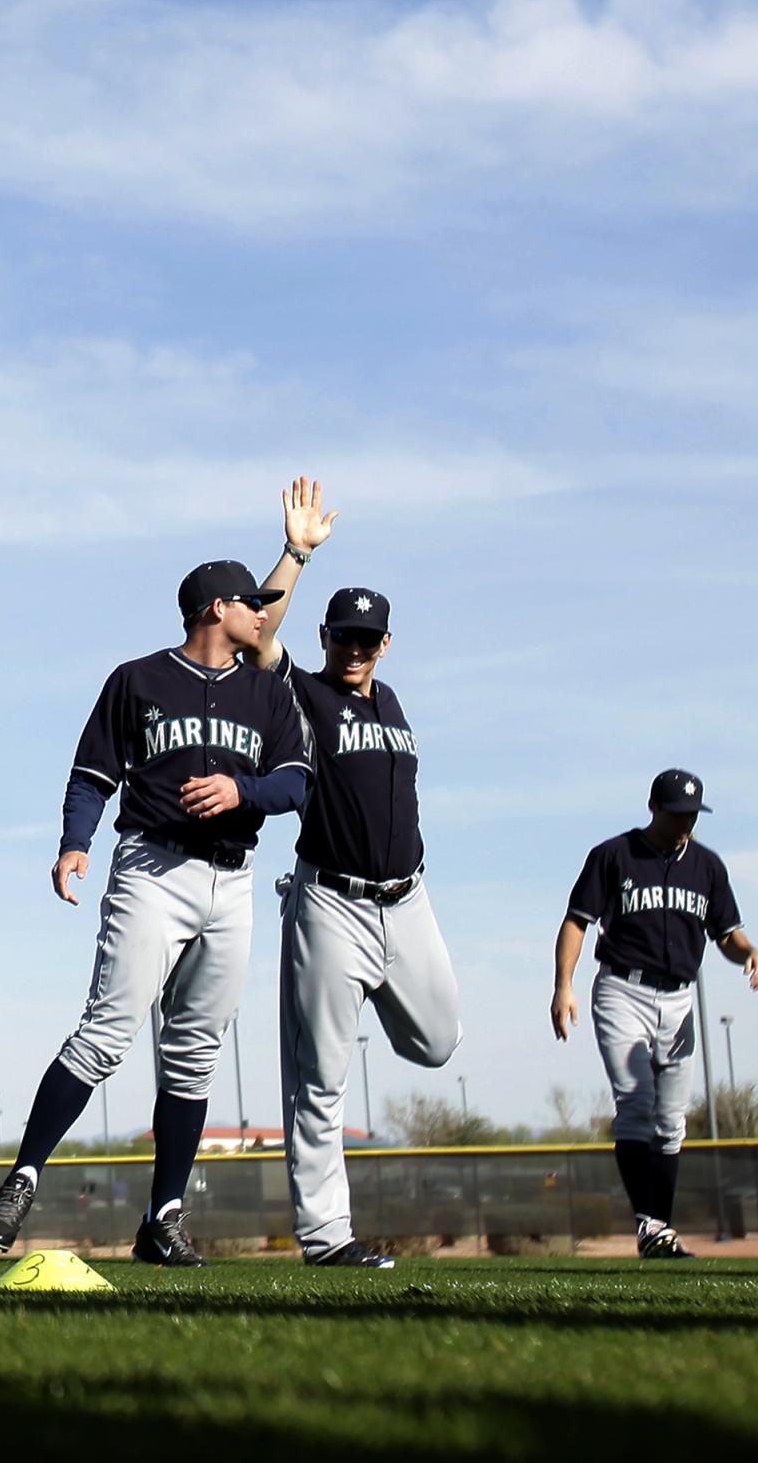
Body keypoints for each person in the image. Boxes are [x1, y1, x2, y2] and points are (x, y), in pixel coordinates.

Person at [0, 560, 309, 1265]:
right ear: (217, 608)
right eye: (255, 603)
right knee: (106, 1033)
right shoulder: (137, 680)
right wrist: (74, 844)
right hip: (152, 870)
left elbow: (298, 783)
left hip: (233, 880)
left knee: (193, 1059)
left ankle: (163, 1220)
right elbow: (93, 775)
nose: (265, 614)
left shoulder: (267, 692)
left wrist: (243, 791)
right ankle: (21, 1180)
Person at [246, 479, 460, 1268]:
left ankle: (372, 998)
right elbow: (256, 633)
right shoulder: (303, 694)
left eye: (369, 640)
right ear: (328, 637)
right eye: (345, 638)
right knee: (319, 1084)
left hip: (408, 902)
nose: (356, 651)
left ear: (386, 644)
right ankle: (327, 1238)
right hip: (330, 904)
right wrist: (296, 553)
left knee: (440, 1043)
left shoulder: (392, 701)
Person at [552, 770, 758, 1260]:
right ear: (653, 806)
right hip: (622, 990)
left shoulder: (708, 867)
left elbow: (728, 935)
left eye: (691, 815)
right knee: (636, 1102)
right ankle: (652, 1225)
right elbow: (576, 921)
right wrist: (563, 985)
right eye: (676, 813)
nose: (684, 823)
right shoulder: (614, 855)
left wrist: (751, 952)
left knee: (671, 1122)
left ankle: (657, 1229)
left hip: (679, 999)